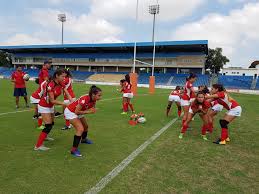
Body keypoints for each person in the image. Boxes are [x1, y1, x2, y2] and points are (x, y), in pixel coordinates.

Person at [34, 69, 72, 151]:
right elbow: (52, 100)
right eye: (62, 76)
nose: (64, 78)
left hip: (50, 106)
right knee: (48, 125)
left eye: (65, 76)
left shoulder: (61, 82)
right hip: (44, 105)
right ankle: (38, 146)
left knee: (51, 123)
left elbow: (66, 91)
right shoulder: (50, 85)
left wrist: (71, 101)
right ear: (57, 76)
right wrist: (65, 104)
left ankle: (45, 137)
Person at [64, 85, 102, 157]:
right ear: (93, 94)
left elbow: (92, 107)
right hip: (71, 112)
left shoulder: (94, 99)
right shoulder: (84, 99)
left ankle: (83, 139)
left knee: (86, 126)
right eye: (99, 95)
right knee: (80, 129)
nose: (100, 97)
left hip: (79, 111)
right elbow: (76, 112)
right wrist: (89, 112)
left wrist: (92, 109)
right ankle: (73, 150)